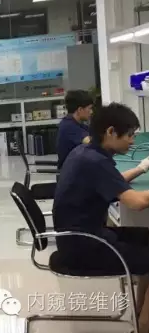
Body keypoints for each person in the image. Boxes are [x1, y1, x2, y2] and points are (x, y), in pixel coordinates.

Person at [53, 103, 149, 331]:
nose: (133, 141)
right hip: (85, 248)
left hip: (80, 238)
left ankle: (140, 316)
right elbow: (137, 202)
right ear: (111, 132)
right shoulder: (95, 161)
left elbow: (113, 181)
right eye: (129, 135)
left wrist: (142, 167)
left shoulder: (86, 152)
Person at [57, 89, 93, 168]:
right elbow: (91, 142)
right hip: (72, 172)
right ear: (80, 110)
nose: (91, 112)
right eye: (89, 108)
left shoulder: (77, 124)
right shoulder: (68, 126)